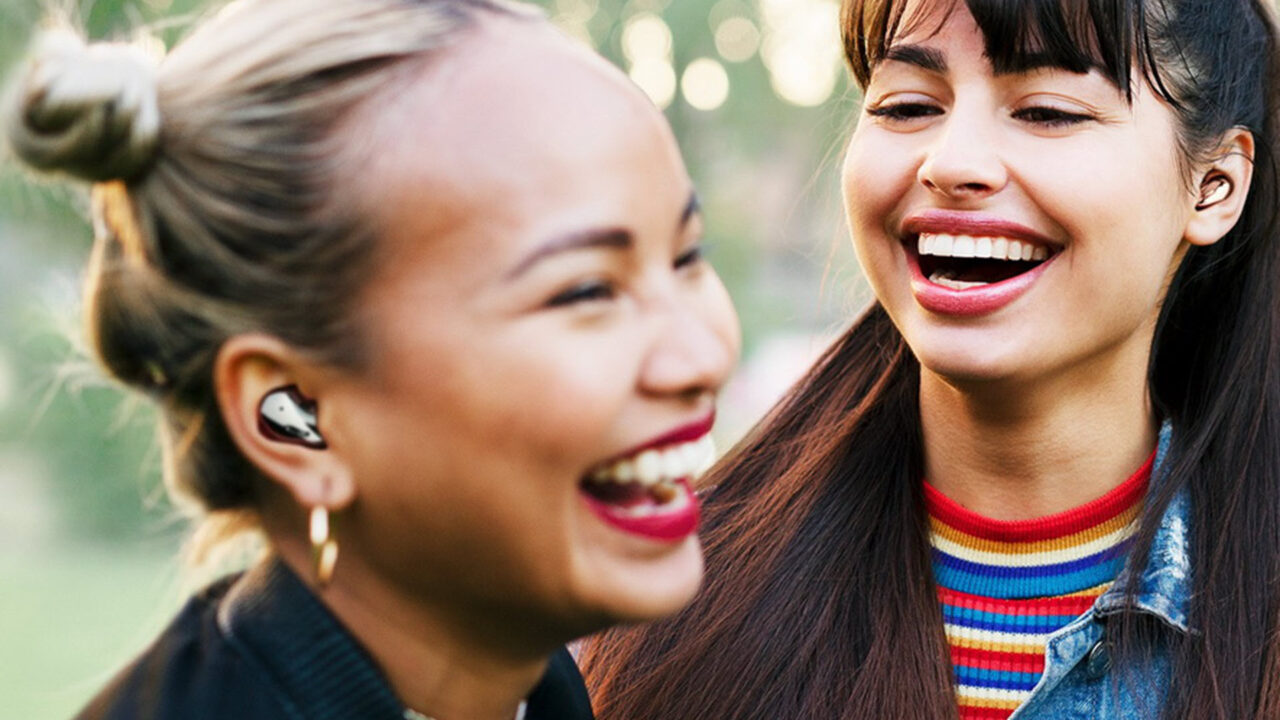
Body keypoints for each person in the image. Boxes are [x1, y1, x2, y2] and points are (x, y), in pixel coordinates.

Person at [3, 0, 740, 718]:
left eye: (687, 256)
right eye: (586, 290)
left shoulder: (532, 684)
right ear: (294, 416)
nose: (702, 355)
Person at [581, 0, 1280, 718]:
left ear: (1214, 184)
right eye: (908, 105)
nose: (951, 164)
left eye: (1046, 112)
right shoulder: (667, 599)